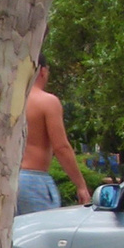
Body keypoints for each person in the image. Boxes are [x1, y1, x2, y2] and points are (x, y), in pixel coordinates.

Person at [17, 56, 91, 215]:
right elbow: (61, 147)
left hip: (6, 178)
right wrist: (81, 185)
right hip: (33, 179)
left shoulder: (10, 101)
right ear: (42, 71)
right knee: (40, 233)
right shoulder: (47, 102)